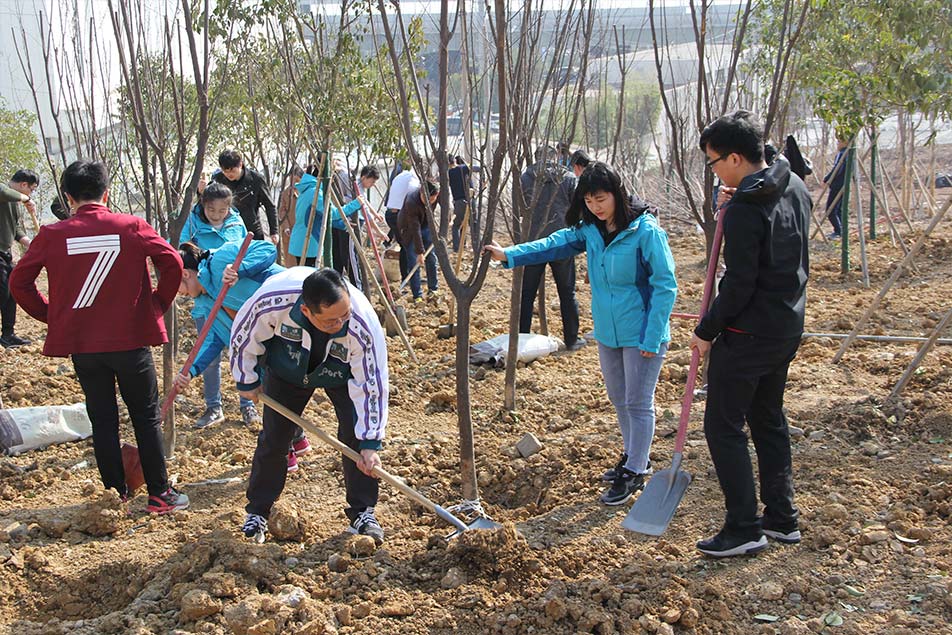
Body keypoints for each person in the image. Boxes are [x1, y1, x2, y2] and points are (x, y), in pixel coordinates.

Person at [485, 162, 677, 505]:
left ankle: (635, 470)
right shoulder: (590, 229)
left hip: (642, 332)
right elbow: (554, 244)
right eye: (589, 201)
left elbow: (665, 286)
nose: (595, 207)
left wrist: (653, 335)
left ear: (616, 193)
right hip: (608, 331)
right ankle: (635, 456)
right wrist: (510, 255)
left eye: (601, 199)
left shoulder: (646, 232)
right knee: (620, 399)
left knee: (638, 402)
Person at [10, 160, 188, 513]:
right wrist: (155, 304)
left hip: (84, 345)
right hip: (130, 340)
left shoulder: (52, 234)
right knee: (145, 415)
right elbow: (171, 262)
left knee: (102, 417)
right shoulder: (131, 225)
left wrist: (53, 316)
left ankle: (115, 493)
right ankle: (159, 494)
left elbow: (19, 283)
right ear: (107, 193)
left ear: (67, 196)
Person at [689, 110, 810, 558]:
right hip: (786, 325)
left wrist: (706, 330)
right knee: (768, 419)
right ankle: (781, 517)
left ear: (736, 157)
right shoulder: (792, 183)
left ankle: (743, 527)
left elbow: (738, 284)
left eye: (714, 161)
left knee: (722, 426)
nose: (715, 170)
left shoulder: (745, 208)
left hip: (748, 332)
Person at [231, 267, 389, 544]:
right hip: (287, 366)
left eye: (345, 315)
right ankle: (258, 512)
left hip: (342, 372)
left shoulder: (362, 323)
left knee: (355, 438)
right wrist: (246, 378)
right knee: (275, 438)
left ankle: (363, 511)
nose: (340, 323)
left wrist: (370, 441)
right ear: (306, 311)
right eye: (330, 321)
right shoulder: (273, 299)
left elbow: (372, 384)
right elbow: (244, 333)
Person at [178, 182, 259, 428]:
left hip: (234, 298)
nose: (216, 215)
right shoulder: (192, 224)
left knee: (243, 349)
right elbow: (181, 253)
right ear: (203, 206)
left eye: (222, 211)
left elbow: (248, 250)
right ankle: (214, 406)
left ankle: (249, 405)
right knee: (209, 353)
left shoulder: (236, 223)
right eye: (212, 210)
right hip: (205, 298)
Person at [519, 146, 582, 350]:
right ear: (556, 158)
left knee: (527, 293)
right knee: (567, 291)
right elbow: (577, 208)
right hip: (561, 241)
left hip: (534, 242)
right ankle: (571, 339)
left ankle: (521, 339)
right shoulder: (568, 178)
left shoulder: (525, 178)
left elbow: (520, 208)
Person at [287, 165, 365, 267]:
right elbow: (333, 213)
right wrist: (356, 204)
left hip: (301, 242)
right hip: (308, 244)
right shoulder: (315, 193)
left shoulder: (307, 191)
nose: (332, 182)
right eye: (331, 179)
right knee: (309, 277)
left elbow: (319, 217)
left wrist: (342, 224)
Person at [0, 170, 38, 348]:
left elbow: (15, 229)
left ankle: (8, 334)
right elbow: (4, 193)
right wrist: (26, 199)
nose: (30, 194)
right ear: (23, 185)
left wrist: (28, 243)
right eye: (31, 189)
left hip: (5, 253)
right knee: (1, 292)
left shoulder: (15, 202)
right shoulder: (4, 191)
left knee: (10, 293)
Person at [213, 149, 278, 242]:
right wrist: (200, 191)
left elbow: (270, 205)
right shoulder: (218, 179)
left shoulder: (256, 179)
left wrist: (274, 231)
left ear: (240, 164)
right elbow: (209, 202)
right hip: (227, 231)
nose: (229, 174)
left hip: (252, 231)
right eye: (225, 171)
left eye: (232, 170)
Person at [397, 180, 440, 303]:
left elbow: (445, 204)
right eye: (426, 199)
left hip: (425, 224)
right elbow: (415, 230)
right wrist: (420, 252)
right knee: (414, 260)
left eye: (432, 200)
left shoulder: (436, 194)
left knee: (431, 257)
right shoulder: (411, 201)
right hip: (409, 228)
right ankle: (418, 295)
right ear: (421, 193)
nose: (429, 202)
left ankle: (433, 289)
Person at [384, 163, 419, 247]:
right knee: (408, 245)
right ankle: (387, 242)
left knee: (404, 244)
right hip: (398, 212)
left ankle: (387, 242)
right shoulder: (411, 176)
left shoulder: (402, 174)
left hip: (391, 212)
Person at [277, 166, 305, 265]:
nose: (294, 183)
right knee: (291, 263)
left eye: (296, 180)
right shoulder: (286, 193)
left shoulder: (308, 193)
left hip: (304, 232)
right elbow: (282, 211)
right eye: (291, 180)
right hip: (290, 233)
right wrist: (286, 227)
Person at [823, 137, 848, 239]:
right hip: (844, 185)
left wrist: (827, 179)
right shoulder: (849, 154)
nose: (837, 144)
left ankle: (838, 231)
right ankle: (841, 230)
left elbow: (837, 169)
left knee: (831, 209)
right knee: (838, 209)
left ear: (845, 142)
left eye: (839, 142)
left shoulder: (842, 154)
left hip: (838, 185)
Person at [448, 155, 473, 251]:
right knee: (471, 224)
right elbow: (478, 168)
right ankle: (472, 246)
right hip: (471, 199)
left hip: (458, 201)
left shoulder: (448, 173)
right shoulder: (464, 168)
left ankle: (457, 248)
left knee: (456, 225)